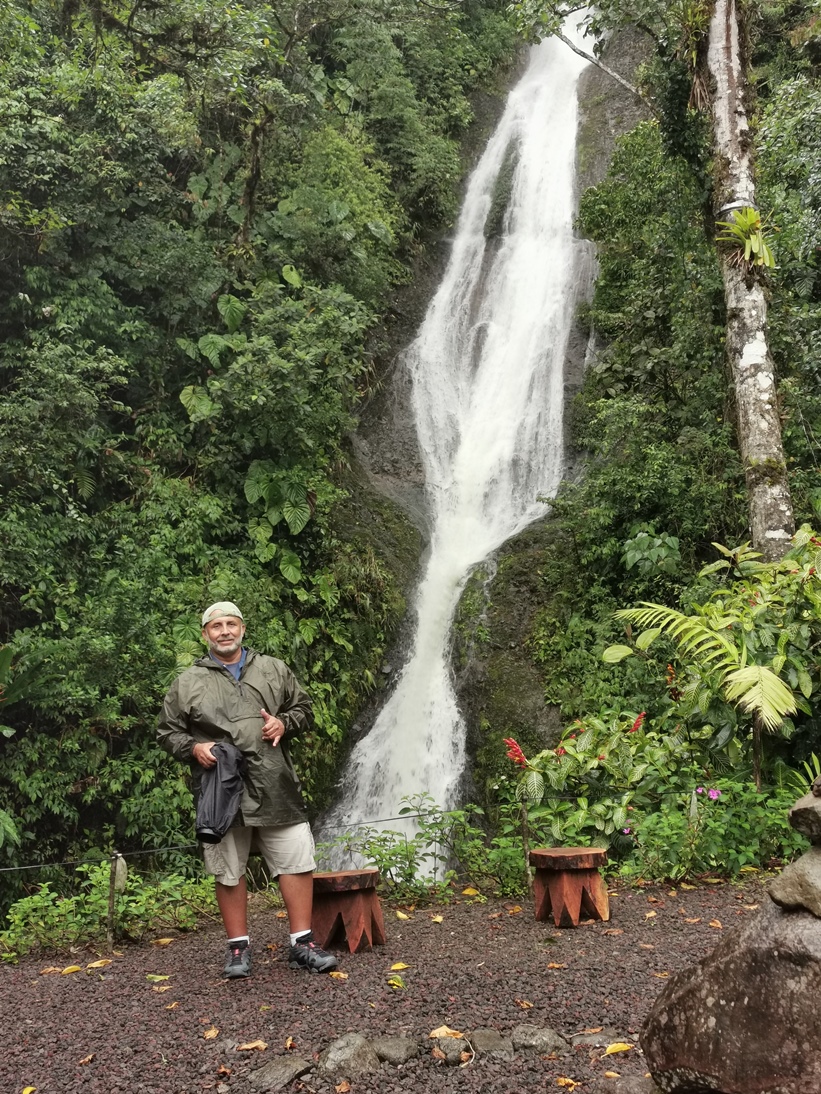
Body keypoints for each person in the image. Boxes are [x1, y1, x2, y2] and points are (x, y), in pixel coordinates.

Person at [157, 601, 338, 979]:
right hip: (220, 790)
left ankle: (302, 944)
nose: (225, 631)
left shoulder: (273, 668)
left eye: (231, 624)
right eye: (216, 626)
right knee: (228, 868)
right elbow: (167, 731)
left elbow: (304, 709)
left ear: (242, 629)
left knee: (296, 860)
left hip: (275, 783)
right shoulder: (188, 682)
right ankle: (238, 948)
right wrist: (193, 747)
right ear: (205, 633)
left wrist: (284, 723)